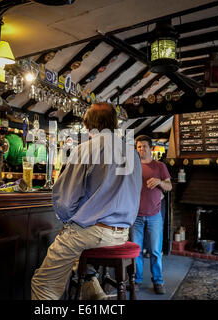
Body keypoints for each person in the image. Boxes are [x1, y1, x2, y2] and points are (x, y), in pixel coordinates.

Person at [31, 102, 142, 300]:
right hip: (121, 234)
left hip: (93, 233)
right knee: (78, 251)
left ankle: (90, 289)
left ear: (86, 123)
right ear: (115, 123)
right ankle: (94, 293)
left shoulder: (85, 149)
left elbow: (65, 200)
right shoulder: (133, 153)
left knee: (43, 284)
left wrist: (70, 219)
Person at [133, 135, 172, 294]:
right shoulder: (133, 167)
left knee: (155, 251)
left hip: (154, 215)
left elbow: (169, 186)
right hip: (135, 217)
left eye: (144, 146)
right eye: (139, 147)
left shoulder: (159, 166)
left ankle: (158, 281)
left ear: (150, 148)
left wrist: (160, 182)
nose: (142, 149)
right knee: (136, 252)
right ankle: (136, 280)